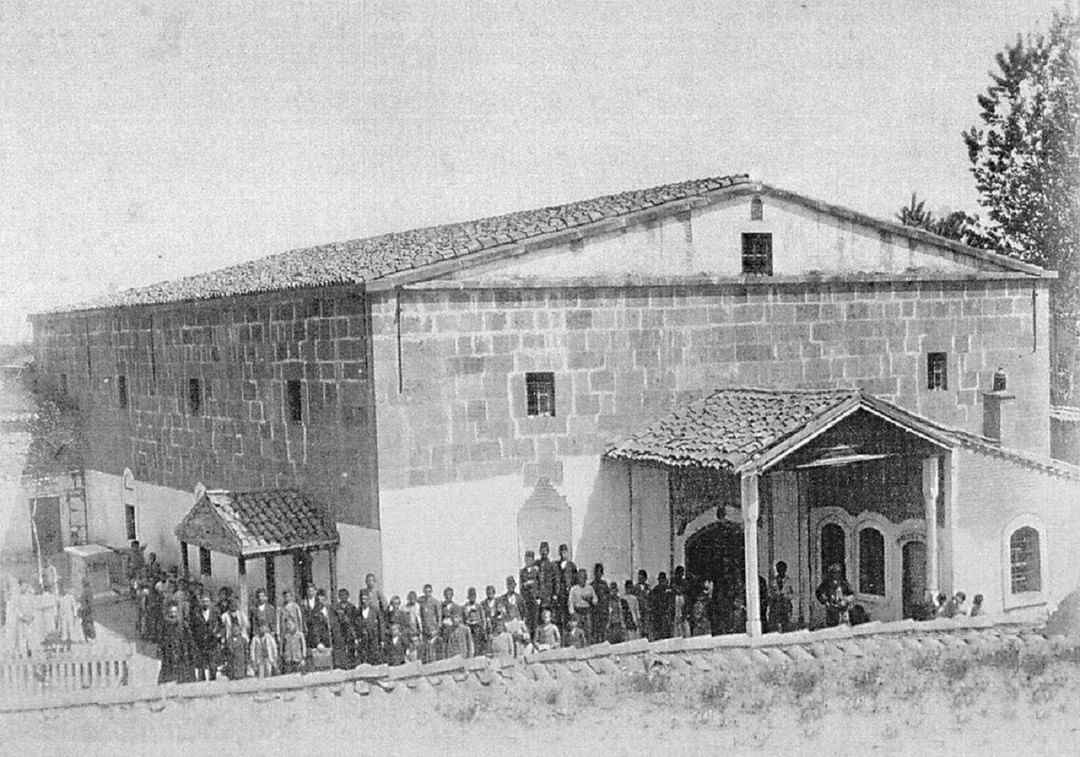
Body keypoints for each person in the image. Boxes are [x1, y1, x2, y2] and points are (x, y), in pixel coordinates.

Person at [158, 602, 195, 684]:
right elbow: (161, 638)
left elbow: (189, 637)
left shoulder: (182, 624)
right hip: (169, 650)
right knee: (167, 667)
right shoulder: (165, 624)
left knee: (182, 668)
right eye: (171, 612)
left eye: (174, 612)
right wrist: (161, 648)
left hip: (180, 649)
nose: (173, 614)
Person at [190, 593, 223, 681]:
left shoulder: (215, 612)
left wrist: (219, 634)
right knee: (201, 663)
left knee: (212, 662)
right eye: (203, 601)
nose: (205, 603)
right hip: (200, 641)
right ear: (200, 602)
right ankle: (202, 680)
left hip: (212, 641)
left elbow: (221, 625)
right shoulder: (196, 613)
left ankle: (213, 679)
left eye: (207, 601)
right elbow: (192, 627)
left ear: (210, 602)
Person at [355, 585, 383, 665]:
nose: (364, 601)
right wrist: (356, 637)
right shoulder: (358, 611)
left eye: (366, 599)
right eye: (362, 599)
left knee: (374, 658)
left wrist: (381, 639)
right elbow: (355, 625)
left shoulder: (375, 610)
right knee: (363, 658)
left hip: (373, 638)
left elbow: (381, 625)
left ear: (369, 599)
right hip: (362, 640)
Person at [223, 599, 250, 679]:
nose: (233, 606)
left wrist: (241, 631)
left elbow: (247, 625)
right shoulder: (225, 616)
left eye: (235, 604)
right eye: (231, 604)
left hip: (240, 637)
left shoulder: (242, 615)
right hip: (230, 638)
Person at [568, 568, 596, 642]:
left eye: (584, 577)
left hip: (587, 611)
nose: (582, 579)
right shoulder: (574, 589)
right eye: (580, 577)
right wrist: (572, 613)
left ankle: (588, 645)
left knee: (588, 631)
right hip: (578, 612)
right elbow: (570, 601)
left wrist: (589, 599)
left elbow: (595, 601)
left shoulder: (590, 588)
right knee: (578, 631)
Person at [536, 542, 559, 627]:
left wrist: (555, 594)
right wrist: (537, 596)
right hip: (540, 596)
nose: (543, 552)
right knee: (540, 617)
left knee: (550, 616)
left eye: (545, 550)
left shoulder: (552, 565)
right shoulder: (537, 564)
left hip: (549, 595)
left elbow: (556, 580)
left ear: (548, 552)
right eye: (542, 550)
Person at [769, 561, 796, 633]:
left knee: (786, 624)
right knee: (774, 624)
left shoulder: (789, 581)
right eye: (779, 569)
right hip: (776, 604)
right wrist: (775, 596)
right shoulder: (773, 581)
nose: (781, 571)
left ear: (785, 569)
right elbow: (770, 593)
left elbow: (794, 594)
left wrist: (786, 596)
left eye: (782, 569)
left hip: (785, 604)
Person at [334, 588, 359, 667]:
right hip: (340, 630)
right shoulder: (336, 607)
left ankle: (351, 663)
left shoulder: (352, 607)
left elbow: (355, 620)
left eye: (344, 595)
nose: (342, 597)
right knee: (341, 648)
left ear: (348, 596)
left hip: (349, 630)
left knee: (351, 647)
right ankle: (342, 664)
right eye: (341, 595)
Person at [556, 544, 577, 631]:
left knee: (569, 616)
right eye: (561, 552)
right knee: (560, 617)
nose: (562, 554)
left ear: (567, 553)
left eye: (564, 552)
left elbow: (575, 580)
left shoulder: (572, 566)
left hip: (569, 595)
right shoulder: (556, 565)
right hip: (560, 595)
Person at [519, 550, 540, 637]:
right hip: (526, 599)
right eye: (527, 559)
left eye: (530, 559)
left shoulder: (536, 571)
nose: (528, 561)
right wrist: (525, 584)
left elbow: (540, 583)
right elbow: (520, 585)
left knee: (535, 619)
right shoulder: (522, 571)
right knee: (527, 619)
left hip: (534, 598)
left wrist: (539, 597)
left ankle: (535, 638)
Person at [650, 573, 676, 640]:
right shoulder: (656, 589)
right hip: (659, 614)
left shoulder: (668, 589)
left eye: (662, 580)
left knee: (667, 632)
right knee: (660, 632)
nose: (661, 582)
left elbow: (672, 602)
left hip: (666, 614)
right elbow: (653, 602)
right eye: (660, 580)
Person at [56, 583, 82, 651]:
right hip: (62, 617)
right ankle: (64, 645)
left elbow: (74, 607)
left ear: (67, 590)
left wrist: (75, 615)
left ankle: (69, 646)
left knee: (70, 630)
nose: (64, 590)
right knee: (63, 631)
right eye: (62, 589)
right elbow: (57, 608)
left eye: (65, 589)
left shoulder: (70, 597)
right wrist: (57, 616)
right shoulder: (59, 598)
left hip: (69, 616)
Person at [591, 564, 611, 644]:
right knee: (595, 631)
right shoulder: (592, 585)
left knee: (603, 631)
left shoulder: (605, 585)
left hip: (603, 611)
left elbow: (608, 598)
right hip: (595, 612)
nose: (598, 574)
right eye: (596, 572)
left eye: (600, 572)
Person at [463, 587, 487, 655]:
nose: (472, 597)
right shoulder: (465, 607)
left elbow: (483, 618)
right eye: (471, 596)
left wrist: (483, 628)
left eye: (474, 596)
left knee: (478, 644)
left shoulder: (479, 606)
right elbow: (463, 619)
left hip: (477, 628)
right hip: (468, 628)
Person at [635, 570, 653, 640]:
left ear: (645, 578)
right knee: (640, 628)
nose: (640, 579)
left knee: (647, 628)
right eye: (639, 578)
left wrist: (650, 608)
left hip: (647, 611)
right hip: (639, 611)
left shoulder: (648, 588)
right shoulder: (635, 587)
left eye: (642, 578)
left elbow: (651, 598)